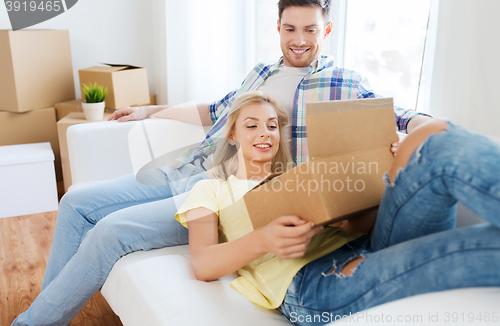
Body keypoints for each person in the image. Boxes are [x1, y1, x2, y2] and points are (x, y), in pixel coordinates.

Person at [12, 0, 432, 325]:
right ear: (279, 27)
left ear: (327, 29)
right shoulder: (261, 72)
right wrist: (150, 111)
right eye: (289, 28)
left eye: (309, 29)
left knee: (111, 231)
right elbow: (216, 110)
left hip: (237, 191)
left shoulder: (345, 82)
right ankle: (51, 313)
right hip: (194, 169)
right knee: (75, 202)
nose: (298, 39)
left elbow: (393, 115)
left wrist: (419, 124)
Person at [177, 91, 500, 326]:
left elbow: (361, 226)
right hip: (313, 282)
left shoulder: (301, 176)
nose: (265, 133)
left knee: (430, 134)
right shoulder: (210, 188)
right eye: (252, 126)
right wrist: (263, 240)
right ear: (232, 134)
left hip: (365, 245)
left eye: (273, 126)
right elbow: (203, 263)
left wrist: (391, 166)